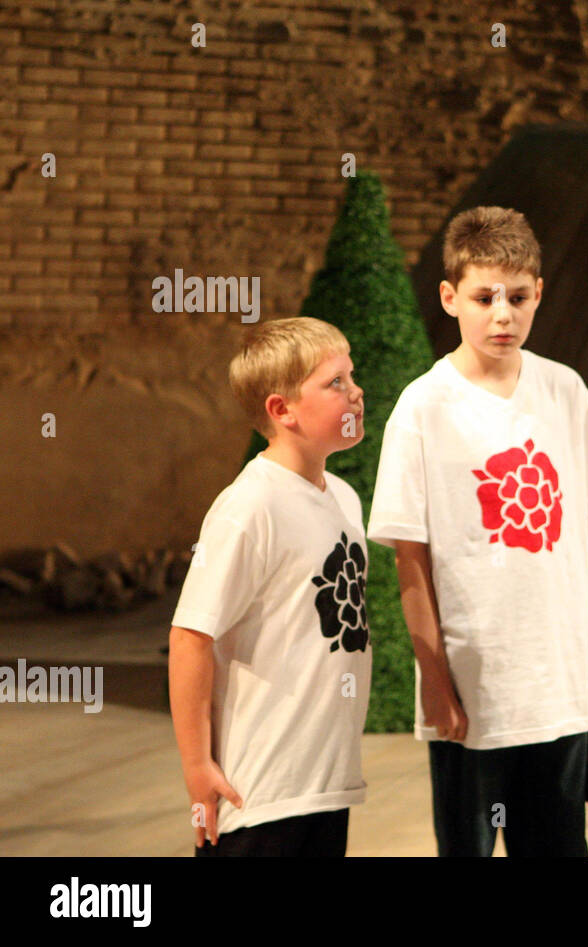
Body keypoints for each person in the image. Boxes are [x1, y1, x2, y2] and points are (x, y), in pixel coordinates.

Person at [367, 206, 588, 857]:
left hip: (558, 681)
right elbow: (410, 557)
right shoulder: (423, 408)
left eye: (518, 296)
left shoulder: (564, 390)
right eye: (484, 297)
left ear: (539, 293)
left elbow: (584, 524)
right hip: (475, 683)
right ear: (451, 296)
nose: (502, 314)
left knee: (560, 843)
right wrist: (433, 673)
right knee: (469, 845)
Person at [169, 316, 371, 857]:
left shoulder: (345, 501)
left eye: (351, 376)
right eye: (335, 383)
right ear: (282, 411)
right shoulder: (249, 506)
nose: (356, 392)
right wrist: (196, 766)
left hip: (325, 785)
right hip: (261, 794)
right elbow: (191, 636)